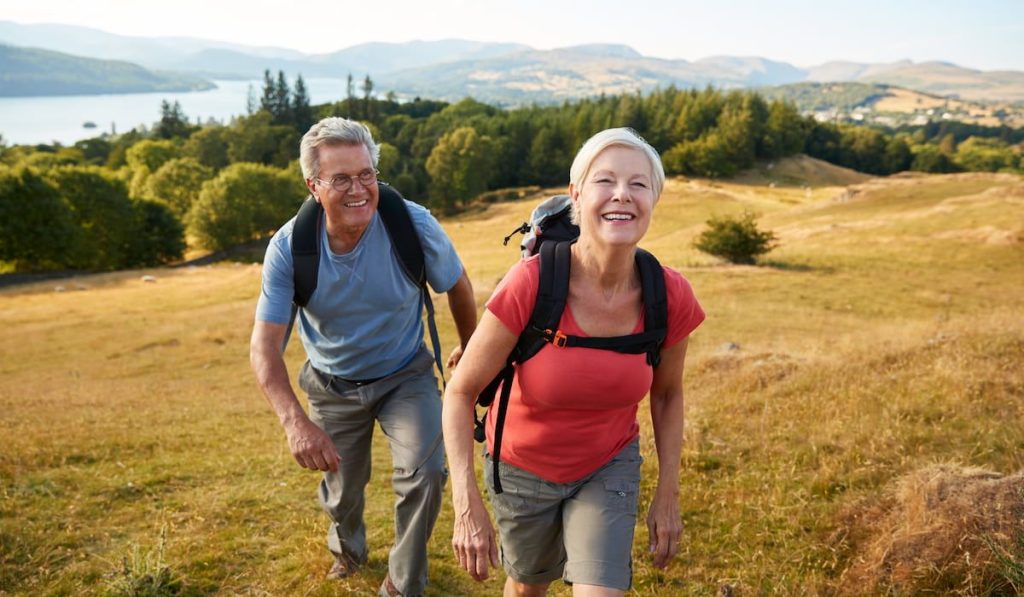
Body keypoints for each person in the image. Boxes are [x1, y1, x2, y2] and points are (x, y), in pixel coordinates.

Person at [442, 127, 705, 595]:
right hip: (522, 466)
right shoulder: (531, 283)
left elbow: (666, 393)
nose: (622, 195)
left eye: (639, 184)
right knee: (527, 587)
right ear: (576, 196)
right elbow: (460, 391)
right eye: (605, 181)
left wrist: (668, 492)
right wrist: (466, 504)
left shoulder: (670, 294)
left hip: (608, 464)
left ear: (653, 200)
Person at [250, 117, 477, 597]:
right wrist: (295, 422)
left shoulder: (411, 224)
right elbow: (264, 347)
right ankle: (348, 550)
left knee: (427, 471)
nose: (359, 189)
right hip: (332, 384)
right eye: (341, 179)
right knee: (341, 492)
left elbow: (457, 286)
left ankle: (403, 581)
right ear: (314, 186)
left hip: (405, 375)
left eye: (367, 174)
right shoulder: (291, 248)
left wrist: (471, 351)